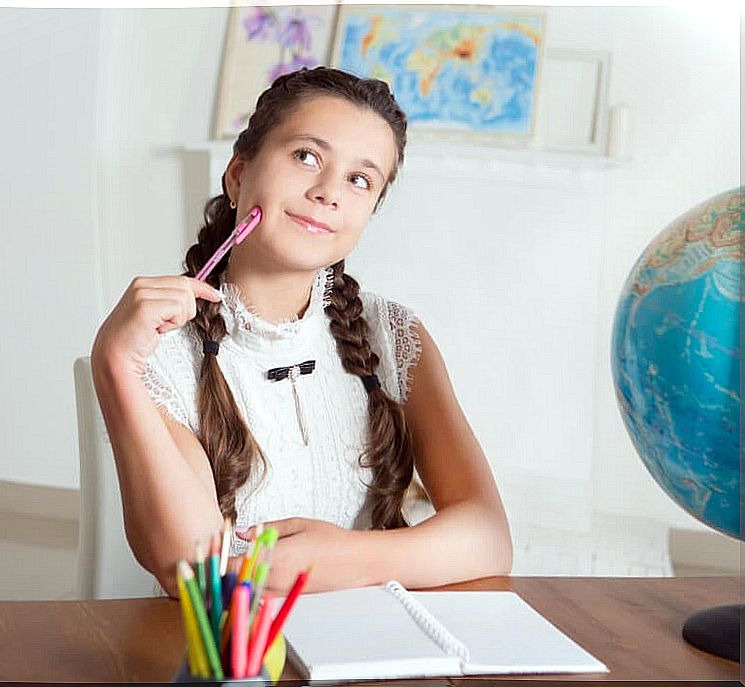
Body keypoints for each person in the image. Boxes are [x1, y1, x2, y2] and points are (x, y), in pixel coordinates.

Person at [91, 66, 512, 599]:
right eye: (306, 156)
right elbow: (192, 569)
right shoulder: (162, 353)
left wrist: (345, 558)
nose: (328, 192)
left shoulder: (396, 336)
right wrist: (115, 365)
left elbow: (489, 536)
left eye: (360, 179)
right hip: (237, 660)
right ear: (238, 176)